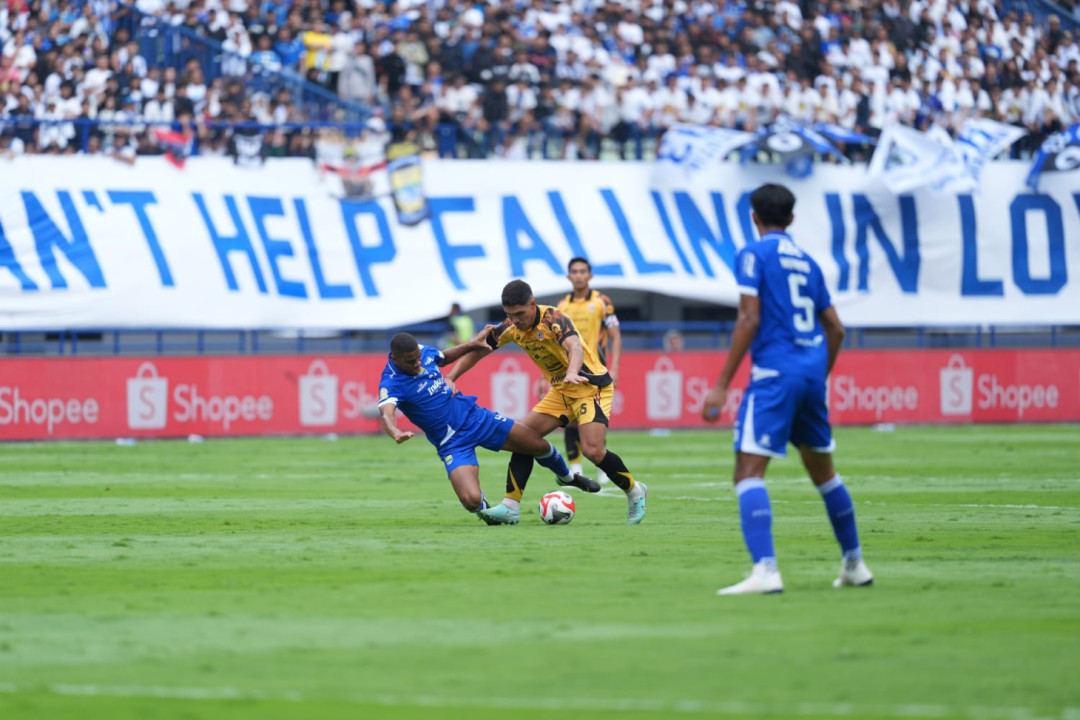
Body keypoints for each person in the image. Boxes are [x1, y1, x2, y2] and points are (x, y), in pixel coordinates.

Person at [702, 183, 873, 594]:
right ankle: (854, 564)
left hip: (774, 375)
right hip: (811, 373)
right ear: (792, 219)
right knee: (824, 474)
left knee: (747, 471)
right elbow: (836, 327)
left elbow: (748, 318)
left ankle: (765, 571)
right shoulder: (809, 264)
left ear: (753, 217)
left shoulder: (753, 253)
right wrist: (817, 374)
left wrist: (722, 383)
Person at [446, 280, 646, 525]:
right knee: (523, 438)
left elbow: (575, 347)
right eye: (510, 315)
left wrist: (572, 371)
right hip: (561, 391)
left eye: (520, 314)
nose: (515, 320)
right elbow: (479, 350)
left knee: (593, 451)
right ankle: (510, 506)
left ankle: (635, 491)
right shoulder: (510, 326)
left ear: (532, 304)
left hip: (589, 386)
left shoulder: (554, 319)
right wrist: (451, 377)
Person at [378, 332, 596, 523]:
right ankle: (491, 513)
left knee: (537, 445)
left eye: (417, 358)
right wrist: (395, 431)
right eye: (411, 362)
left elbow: (444, 357)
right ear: (395, 359)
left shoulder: (422, 352)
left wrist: (473, 343)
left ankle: (568, 477)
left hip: (475, 418)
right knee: (470, 501)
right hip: (452, 443)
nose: (417, 364)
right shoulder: (391, 383)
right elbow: (386, 413)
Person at [556, 257, 622, 484]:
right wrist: (542, 377)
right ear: (568, 276)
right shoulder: (562, 307)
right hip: (568, 371)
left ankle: (602, 465)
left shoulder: (602, 302)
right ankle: (575, 471)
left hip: (596, 372)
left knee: (596, 420)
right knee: (570, 419)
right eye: (574, 271)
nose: (578, 275)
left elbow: (615, 335)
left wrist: (615, 367)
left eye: (583, 271)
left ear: (590, 275)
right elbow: (553, 345)